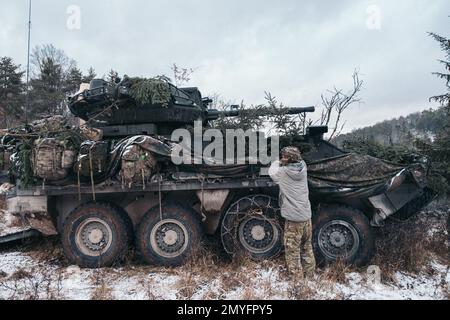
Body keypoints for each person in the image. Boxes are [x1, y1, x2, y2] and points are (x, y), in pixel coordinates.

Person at [268, 146, 316, 280]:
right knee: (307, 247)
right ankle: (310, 276)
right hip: (306, 217)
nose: (282, 158)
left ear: (289, 159)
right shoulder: (303, 167)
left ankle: (297, 281)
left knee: (292, 251)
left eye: (284, 156)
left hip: (294, 220)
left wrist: (277, 161)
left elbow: (272, 173)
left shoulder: (283, 173)